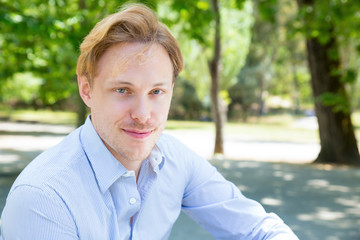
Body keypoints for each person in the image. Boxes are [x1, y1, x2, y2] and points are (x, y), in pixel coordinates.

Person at [0, 4, 299, 240]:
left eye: (156, 91)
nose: (143, 115)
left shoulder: (174, 159)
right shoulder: (43, 198)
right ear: (86, 89)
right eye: (123, 90)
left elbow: (259, 229)